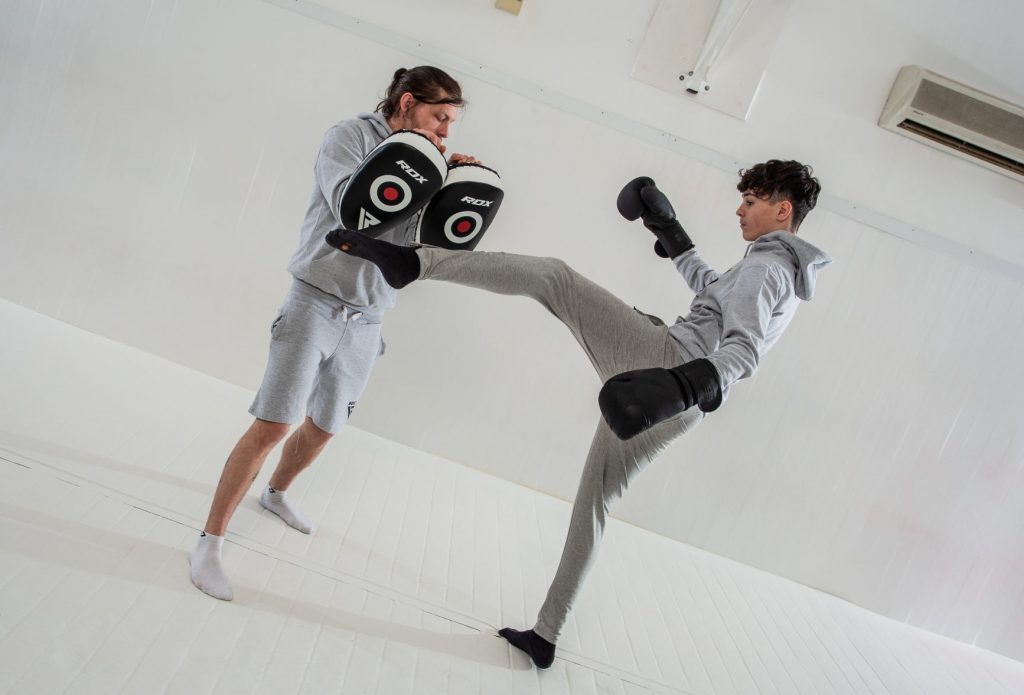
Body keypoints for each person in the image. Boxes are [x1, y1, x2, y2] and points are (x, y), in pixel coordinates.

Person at [325, 160, 832, 668]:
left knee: (553, 277)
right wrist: (671, 232)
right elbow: (713, 293)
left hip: (668, 369)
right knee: (595, 504)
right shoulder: (772, 268)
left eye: (751, 201)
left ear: (782, 210)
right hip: (679, 407)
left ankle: (415, 263)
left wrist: (679, 383)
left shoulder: (766, 269)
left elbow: (744, 352)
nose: (740, 209)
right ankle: (545, 636)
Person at [189, 66, 479, 601]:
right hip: (315, 300)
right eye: (439, 118)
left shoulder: (431, 158)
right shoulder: (350, 136)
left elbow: (419, 243)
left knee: (324, 427)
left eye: (450, 125)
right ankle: (209, 543)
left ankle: (275, 493)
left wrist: (451, 188)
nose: (444, 132)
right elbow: (355, 208)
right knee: (275, 424)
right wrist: (422, 169)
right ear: (407, 103)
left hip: (369, 315)